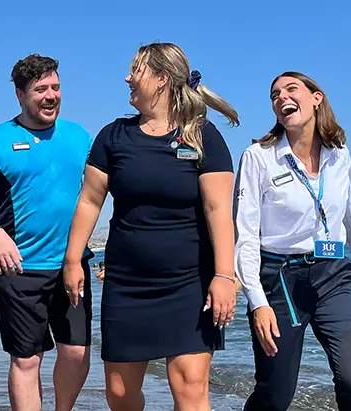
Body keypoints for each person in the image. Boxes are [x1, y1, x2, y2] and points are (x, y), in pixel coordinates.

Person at [63, 42, 239, 411]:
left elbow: (219, 209)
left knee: (191, 386)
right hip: (127, 284)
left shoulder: (202, 136)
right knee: (120, 393)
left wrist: (224, 275)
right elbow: (90, 201)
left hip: (189, 282)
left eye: (136, 71)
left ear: (161, 79)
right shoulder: (113, 136)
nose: (128, 78)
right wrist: (73, 260)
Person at [234, 71, 351, 411]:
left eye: (291, 89)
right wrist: (257, 302)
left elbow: (350, 211)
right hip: (280, 280)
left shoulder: (339, 154)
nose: (282, 98)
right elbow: (245, 235)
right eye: (275, 95)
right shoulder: (258, 157)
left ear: (316, 98)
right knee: (275, 395)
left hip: (333, 276)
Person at [0, 53, 94, 411]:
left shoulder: (80, 136)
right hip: (18, 266)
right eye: (40, 89)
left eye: (55, 87)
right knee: (26, 360)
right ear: (20, 95)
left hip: (72, 265)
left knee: (77, 352)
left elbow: (102, 190)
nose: (51, 96)